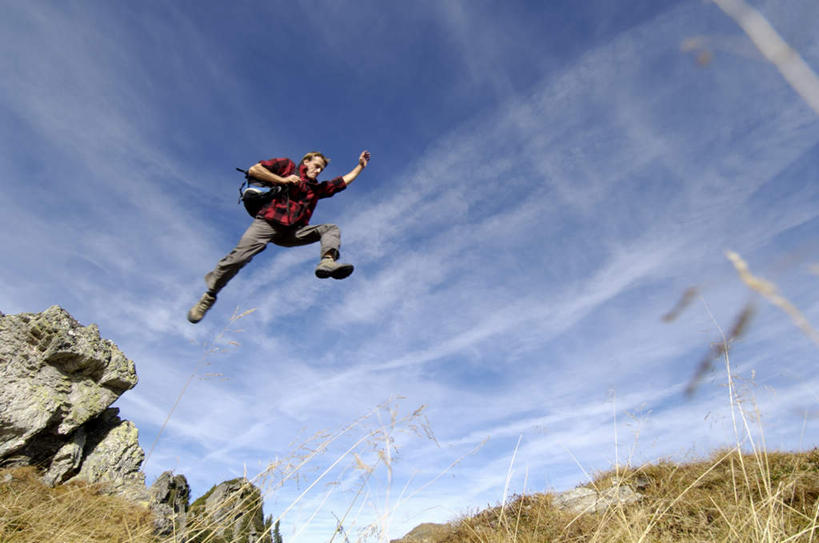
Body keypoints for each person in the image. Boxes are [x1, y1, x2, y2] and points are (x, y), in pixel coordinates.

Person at [187, 150, 371, 323]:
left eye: (321, 169)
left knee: (330, 229)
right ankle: (210, 295)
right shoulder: (287, 166)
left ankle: (327, 262)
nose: (318, 170)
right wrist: (282, 180)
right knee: (238, 258)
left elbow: (341, 182)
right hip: (267, 223)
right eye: (316, 165)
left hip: (292, 232)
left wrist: (361, 166)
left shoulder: (315, 188)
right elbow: (255, 170)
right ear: (306, 162)